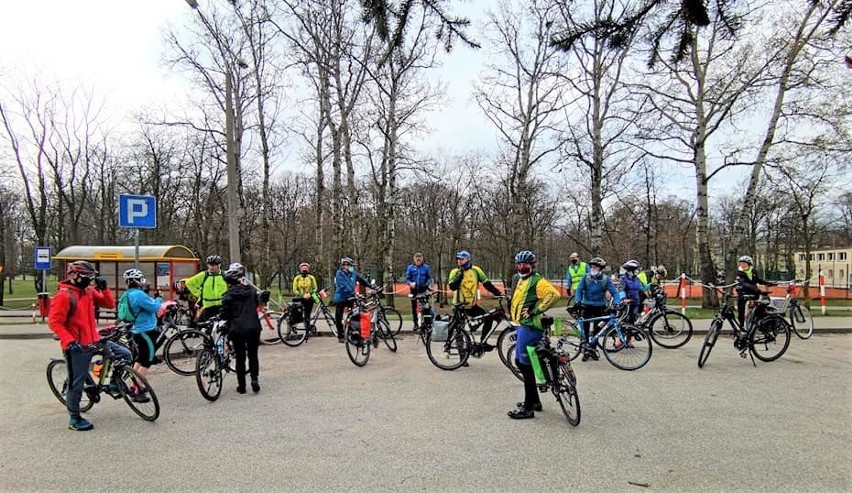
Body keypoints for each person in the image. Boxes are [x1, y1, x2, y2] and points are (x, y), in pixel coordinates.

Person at [47, 260, 117, 431]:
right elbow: (55, 322)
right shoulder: (64, 296)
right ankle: (74, 418)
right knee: (76, 383)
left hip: (93, 339)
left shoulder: (88, 291)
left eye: (91, 277)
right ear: (73, 275)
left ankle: (104, 383)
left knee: (121, 353)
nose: (88, 280)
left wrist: (104, 288)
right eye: (85, 276)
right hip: (76, 345)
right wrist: (69, 341)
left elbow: (109, 304)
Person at [507, 250, 561, 420]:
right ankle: (535, 401)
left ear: (532, 265)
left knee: (524, 365)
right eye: (520, 264)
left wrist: (536, 310)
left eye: (525, 264)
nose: (522, 267)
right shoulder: (522, 280)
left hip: (530, 327)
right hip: (522, 326)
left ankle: (528, 407)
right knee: (521, 362)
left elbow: (554, 295)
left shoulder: (537, 281)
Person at [120, 269, 162, 402]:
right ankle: (138, 389)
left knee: (140, 359)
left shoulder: (127, 294)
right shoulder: (138, 294)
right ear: (136, 281)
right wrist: (159, 297)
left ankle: (134, 385)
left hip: (136, 329)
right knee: (147, 360)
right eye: (140, 279)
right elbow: (155, 308)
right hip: (146, 331)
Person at [221, 263, 262, 394]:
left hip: (237, 328)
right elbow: (256, 304)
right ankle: (254, 379)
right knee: (253, 354)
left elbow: (225, 315)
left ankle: (242, 385)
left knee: (240, 356)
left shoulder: (228, 295)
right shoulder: (251, 290)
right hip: (253, 326)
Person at [447, 250, 503, 346]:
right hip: (459, 306)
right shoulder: (455, 272)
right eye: (458, 259)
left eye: (462, 259)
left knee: (488, 318)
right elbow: (452, 287)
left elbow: (487, 284)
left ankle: (482, 343)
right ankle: (462, 358)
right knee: (459, 331)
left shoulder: (476, 270)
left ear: (468, 259)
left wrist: (498, 293)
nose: (459, 261)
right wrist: (459, 277)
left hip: (471, 306)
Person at [573, 257, 622, 361]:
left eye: (595, 267)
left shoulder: (606, 279)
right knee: (585, 329)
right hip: (586, 306)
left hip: (600, 307)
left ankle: (593, 349)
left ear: (600, 269)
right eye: (592, 266)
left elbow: (615, 292)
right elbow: (579, 290)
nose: (593, 268)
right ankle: (585, 350)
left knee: (597, 330)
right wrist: (577, 301)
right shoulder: (585, 277)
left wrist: (617, 303)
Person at [332, 257, 370, 343]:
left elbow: (361, 280)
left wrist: (370, 286)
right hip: (341, 298)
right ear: (343, 266)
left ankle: (354, 332)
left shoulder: (353, 273)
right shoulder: (339, 274)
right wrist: (353, 293)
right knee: (338, 317)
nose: (348, 267)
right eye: (346, 265)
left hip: (351, 298)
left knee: (356, 313)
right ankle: (340, 336)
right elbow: (343, 286)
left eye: (349, 265)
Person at [185, 255, 228, 323]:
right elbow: (189, 283)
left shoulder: (225, 275)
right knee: (208, 328)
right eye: (210, 265)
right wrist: (199, 293)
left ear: (219, 265)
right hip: (208, 306)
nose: (211, 267)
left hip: (222, 306)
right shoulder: (204, 275)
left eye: (214, 265)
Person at [735, 255, 775, 328]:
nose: (742, 265)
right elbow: (744, 283)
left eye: (744, 263)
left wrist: (768, 283)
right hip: (743, 293)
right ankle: (741, 326)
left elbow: (758, 280)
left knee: (760, 306)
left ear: (749, 264)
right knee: (741, 309)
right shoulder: (739, 273)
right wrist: (756, 289)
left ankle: (761, 321)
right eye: (741, 263)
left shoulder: (753, 271)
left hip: (754, 293)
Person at [405, 252, 433, 332]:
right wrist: (410, 283)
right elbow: (407, 278)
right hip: (413, 290)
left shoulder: (426, 267)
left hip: (423, 290)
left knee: (426, 307)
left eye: (419, 258)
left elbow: (429, 278)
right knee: (414, 308)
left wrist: (428, 285)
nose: (418, 260)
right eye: (416, 259)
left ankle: (427, 324)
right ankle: (416, 324)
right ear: (414, 259)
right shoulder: (410, 268)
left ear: (422, 259)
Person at [292, 262, 318, 329]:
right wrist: (301, 295)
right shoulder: (297, 278)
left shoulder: (311, 278)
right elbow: (294, 289)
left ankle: (307, 327)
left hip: (309, 298)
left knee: (307, 314)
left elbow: (315, 288)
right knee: (297, 314)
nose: (304, 270)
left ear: (308, 270)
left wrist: (310, 294)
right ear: (300, 270)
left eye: (306, 269)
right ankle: (294, 327)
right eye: (303, 269)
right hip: (300, 298)